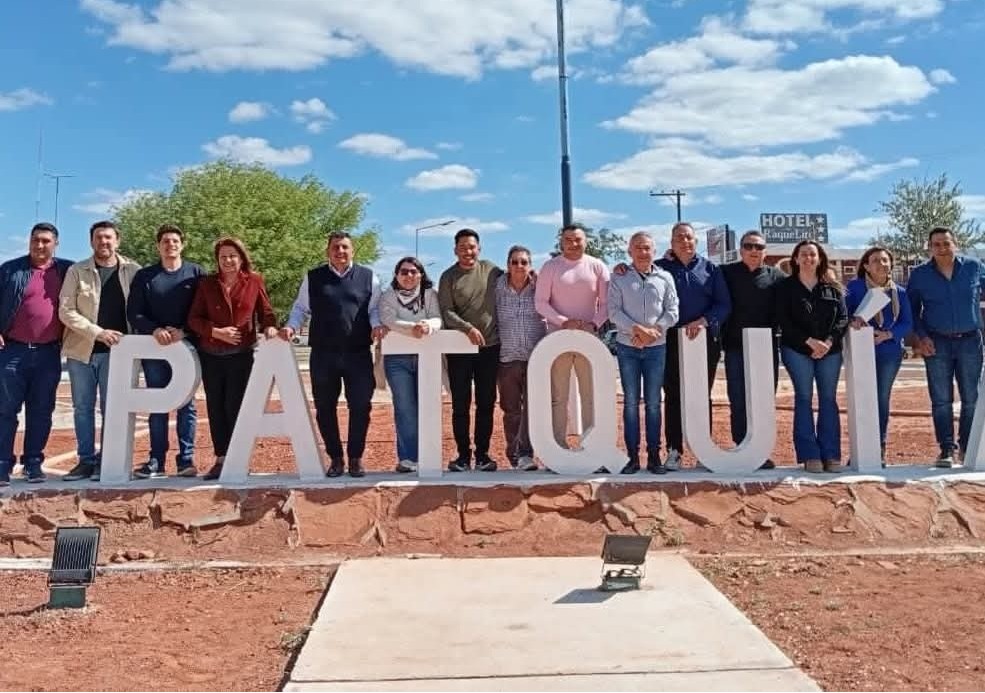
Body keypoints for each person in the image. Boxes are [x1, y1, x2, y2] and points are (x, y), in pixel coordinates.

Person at [281, 232, 384, 478]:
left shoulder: (370, 277)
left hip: (358, 353)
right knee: (324, 407)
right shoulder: (314, 277)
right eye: (335, 247)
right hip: (323, 354)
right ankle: (336, 458)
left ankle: (356, 458)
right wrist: (291, 326)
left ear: (353, 250)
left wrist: (378, 325)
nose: (340, 251)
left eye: (345, 247)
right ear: (328, 251)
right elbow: (300, 308)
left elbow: (374, 310)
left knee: (360, 406)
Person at [188, 237, 278, 480]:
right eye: (223, 256)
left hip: (241, 355)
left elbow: (266, 313)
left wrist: (269, 327)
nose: (228, 260)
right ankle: (221, 459)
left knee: (235, 406)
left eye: (232, 255)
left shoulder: (255, 281)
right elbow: (194, 319)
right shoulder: (207, 284)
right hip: (211, 354)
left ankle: (238, 459)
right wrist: (215, 332)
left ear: (241, 258)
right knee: (215, 407)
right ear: (217, 260)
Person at [60, 220, 142, 482]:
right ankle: (85, 460)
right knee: (82, 408)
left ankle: (107, 461)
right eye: (98, 238)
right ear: (91, 241)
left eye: (108, 238)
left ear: (117, 241)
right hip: (81, 351)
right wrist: (98, 333)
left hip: (118, 354)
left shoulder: (133, 271)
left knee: (112, 408)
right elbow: (66, 310)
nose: (103, 242)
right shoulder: (76, 271)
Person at [127, 224, 206, 478]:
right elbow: (134, 312)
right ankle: (156, 460)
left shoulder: (196, 273)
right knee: (157, 404)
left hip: (188, 348)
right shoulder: (145, 276)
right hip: (155, 349)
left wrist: (184, 331)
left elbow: (203, 311)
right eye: (165, 241)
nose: (170, 245)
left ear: (182, 244)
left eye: (174, 241)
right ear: (158, 246)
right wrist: (154, 330)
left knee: (187, 405)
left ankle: (185, 460)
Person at [0, 223, 73, 485]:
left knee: (41, 411)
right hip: (12, 351)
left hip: (48, 353)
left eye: (45, 241)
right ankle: (2, 465)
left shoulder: (68, 271)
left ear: (55, 243)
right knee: (6, 410)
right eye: (35, 240)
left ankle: (33, 463)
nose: (39, 245)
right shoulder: (10, 269)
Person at [907, 226, 985, 468]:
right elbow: (912, 310)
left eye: (946, 243)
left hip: (970, 340)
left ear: (956, 243)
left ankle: (967, 448)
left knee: (971, 397)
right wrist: (920, 338)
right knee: (941, 399)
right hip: (936, 342)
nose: (942, 248)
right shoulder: (919, 274)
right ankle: (947, 449)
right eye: (936, 244)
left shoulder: (974, 267)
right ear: (930, 247)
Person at [656, 222, 731, 471]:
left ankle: (703, 449)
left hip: (704, 341)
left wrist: (704, 321)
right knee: (674, 394)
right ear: (672, 243)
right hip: (669, 340)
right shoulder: (660, 267)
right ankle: (674, 450)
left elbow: (723, 305)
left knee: (701, 394)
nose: (684, 242)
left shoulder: (711, 269)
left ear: (695, 242)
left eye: (688, 238)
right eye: (679, 238)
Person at [607, 231, 678, 474]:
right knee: (629, 403)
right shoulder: (619, 277)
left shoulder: (665, 277)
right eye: (637, 247)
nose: (642, 251)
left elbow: (673, 310)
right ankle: (633, 457)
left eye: (647, 247)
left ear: (654, 251)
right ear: (629, 251)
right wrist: (637, 331)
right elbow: (614, 311)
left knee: (654, 403)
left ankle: (655, 456)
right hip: (628, 347)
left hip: (657, 348)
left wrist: (654, 331)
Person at [775, 240, 848, 474]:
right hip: (797, 350)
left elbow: (843, 319)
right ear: (796, 259)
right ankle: (809, 454)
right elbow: (782, 320)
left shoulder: (833, 287)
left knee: (828, 398)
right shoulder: (785, 287)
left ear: (819, 259)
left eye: (812, 254)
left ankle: (831, 454)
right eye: (803, 254)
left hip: (830, 351)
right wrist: (808, 342)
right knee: (804, 398)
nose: (808, 258)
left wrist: (827, 342)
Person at [535, 223, 610, 450]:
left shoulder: (597, 266)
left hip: (589, 340)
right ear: (561, 242)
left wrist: (594, 324)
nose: (573, 244)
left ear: (585, 241)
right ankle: (558, 446)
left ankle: (591, 446)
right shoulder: (550, 267)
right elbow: (540, 302)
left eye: (578, 239)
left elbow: (607, 303)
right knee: (558, 397)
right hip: (557, 339)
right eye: (568, 240)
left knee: (590, 396)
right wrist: (562, 321)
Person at [438, 228, 502, 472]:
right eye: (463, 247)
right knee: (461, 404)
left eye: (472, 246)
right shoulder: (448, 277)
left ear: (479, 248)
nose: (468, 251)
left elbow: (517, 279)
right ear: (455, 250)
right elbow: (446, 311)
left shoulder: (492, 271)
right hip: (459, 349)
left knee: (486, 403)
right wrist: (467, 329)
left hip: (490, 347)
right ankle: (463, 455)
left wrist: (534, 275)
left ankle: (483, 455)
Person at [721, 230, 785, 469]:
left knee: (764, 400)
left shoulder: (777, 277)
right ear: (741, 249)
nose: (753, 251)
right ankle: (742, 446)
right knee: (737, 398)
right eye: (749, 246)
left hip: (766, 349)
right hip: (735, 347)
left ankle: (760, 451)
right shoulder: (726, 273)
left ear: (765, 251)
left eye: (759, 247)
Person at [845, 246, 913, 465]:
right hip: (861, 351)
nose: (881, 264)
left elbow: (907, 322)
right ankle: (859, 448)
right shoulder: (854, 288)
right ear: (866, 265)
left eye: (885, 260)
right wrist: (853, 322)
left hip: (889, 351)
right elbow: (843, 315)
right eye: (875, 260)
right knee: (862, 398)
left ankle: (878, 447)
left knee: (881, 398)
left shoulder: (900, 292)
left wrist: (888, 334)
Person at [378, 257, 442, 474]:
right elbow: (388, 319)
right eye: (404, 272)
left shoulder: (430, 295)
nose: (409, 276)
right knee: (405, 408)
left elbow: (437, 318)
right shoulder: (388, 296)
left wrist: (428, 326)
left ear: (421, 274)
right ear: (396, 274)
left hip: (427, 358)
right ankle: (408, 458)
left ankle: (428, 456)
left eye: (414, 272)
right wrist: (413, 328)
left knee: (428, 407)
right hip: (397, 361)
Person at [495, 245, 545, 471]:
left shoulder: (540, 287)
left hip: (535, 357)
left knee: (533, 408)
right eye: (514, 262)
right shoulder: (497, 287)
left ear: (530, 265)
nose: (519, 266)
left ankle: (526, 453)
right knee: (511, 409)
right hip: (507, 358)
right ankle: (514, 453)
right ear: (508, 265)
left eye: (524, 262)